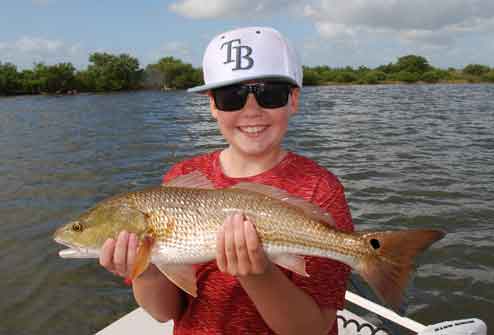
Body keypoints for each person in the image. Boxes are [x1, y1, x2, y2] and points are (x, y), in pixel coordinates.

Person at [99, 26, 354, 335]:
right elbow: (165, 312)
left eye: (269, 94)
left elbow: (312, 330)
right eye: (231, 97)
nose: (251, 110)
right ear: (212, 105)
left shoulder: (321, 188)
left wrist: (258, 274)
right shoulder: (180, 178)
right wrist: (145, 270)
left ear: (294, 100)